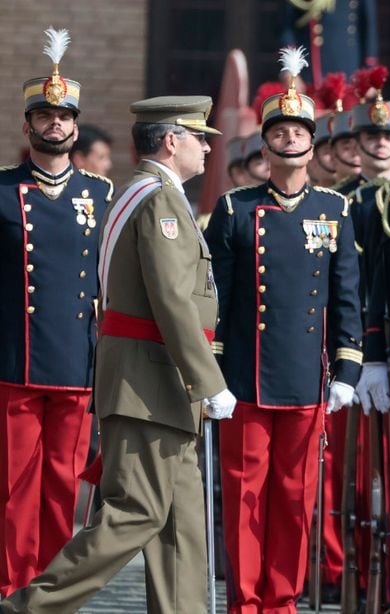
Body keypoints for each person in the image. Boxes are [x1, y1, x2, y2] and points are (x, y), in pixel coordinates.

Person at [1, 94, 229, 613]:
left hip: (164, 384)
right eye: (200, 139)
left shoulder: (146, 193)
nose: (207, 151)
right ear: (172, 141)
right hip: (153, 383)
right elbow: (171, 299)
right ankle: (26, 607)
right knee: (139, 512)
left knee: (182, 525)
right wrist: (210, 380)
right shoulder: (158, 199)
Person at [205, 47, 362, 613]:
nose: (290, 139)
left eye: (299, 130)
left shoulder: (335, 211)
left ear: (312, 145)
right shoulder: (234, 209)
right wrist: (212, 373)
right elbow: (215, 300)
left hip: (304, 378)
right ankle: (245, 603)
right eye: (280, 130)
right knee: (245, 497)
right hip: (244, 376)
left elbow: (347, 296)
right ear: (266, 144)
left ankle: (281, 602)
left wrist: (347, 368)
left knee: (296, 500)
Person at [0, 27, 114, 597]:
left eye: (64, 116)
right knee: (13, 486)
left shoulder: (101, 194)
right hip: (13, 361)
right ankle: (11, 588)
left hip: (75, 361)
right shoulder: (1, 191)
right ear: (28, 125)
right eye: (44, 116)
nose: (55, 124)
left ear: (74, 125)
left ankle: (50, 593)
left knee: (61, 487)